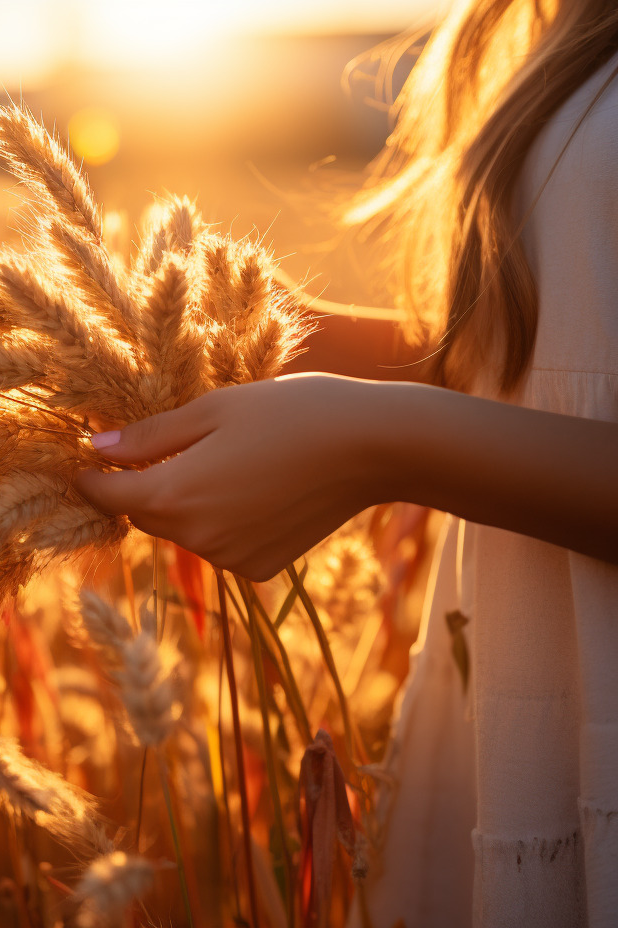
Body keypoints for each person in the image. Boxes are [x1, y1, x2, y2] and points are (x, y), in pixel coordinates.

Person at [74, 1, 618, 925]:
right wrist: (296, 342)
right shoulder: (558, 20)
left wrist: (377, 440)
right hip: (530, 715)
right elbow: (556, 356)